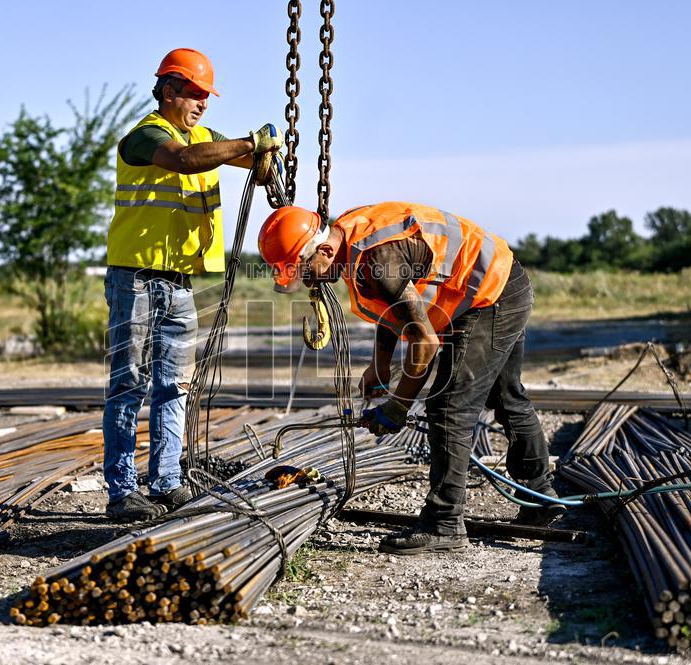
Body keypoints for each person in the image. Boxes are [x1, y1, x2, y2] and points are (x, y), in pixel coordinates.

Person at [258, 202, 563, 553]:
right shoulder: (349, 235)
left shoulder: (377, 260)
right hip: (498, 281)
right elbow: (394, 306)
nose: (306, 279)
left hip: (489, 296)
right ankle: (542, 499)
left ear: (325, 249)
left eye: (305, 269)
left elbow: (424, 342)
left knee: (449, 407)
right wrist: (381, 365)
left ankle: (445, 524)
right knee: (506, 394)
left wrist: (397, 407)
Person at [104, 48, 282, 522]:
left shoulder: (205, 136)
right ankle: (122, 493)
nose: (202, 103)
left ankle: (166, 482)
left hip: (180, 285)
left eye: (207, 96)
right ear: (167, 90)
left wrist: (266, 155)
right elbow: (184, 160)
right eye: (193, 93)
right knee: (128, 385)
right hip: (136, 281)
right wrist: (251, 142)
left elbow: (241, 156)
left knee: (174, 386)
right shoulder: (144, 137)